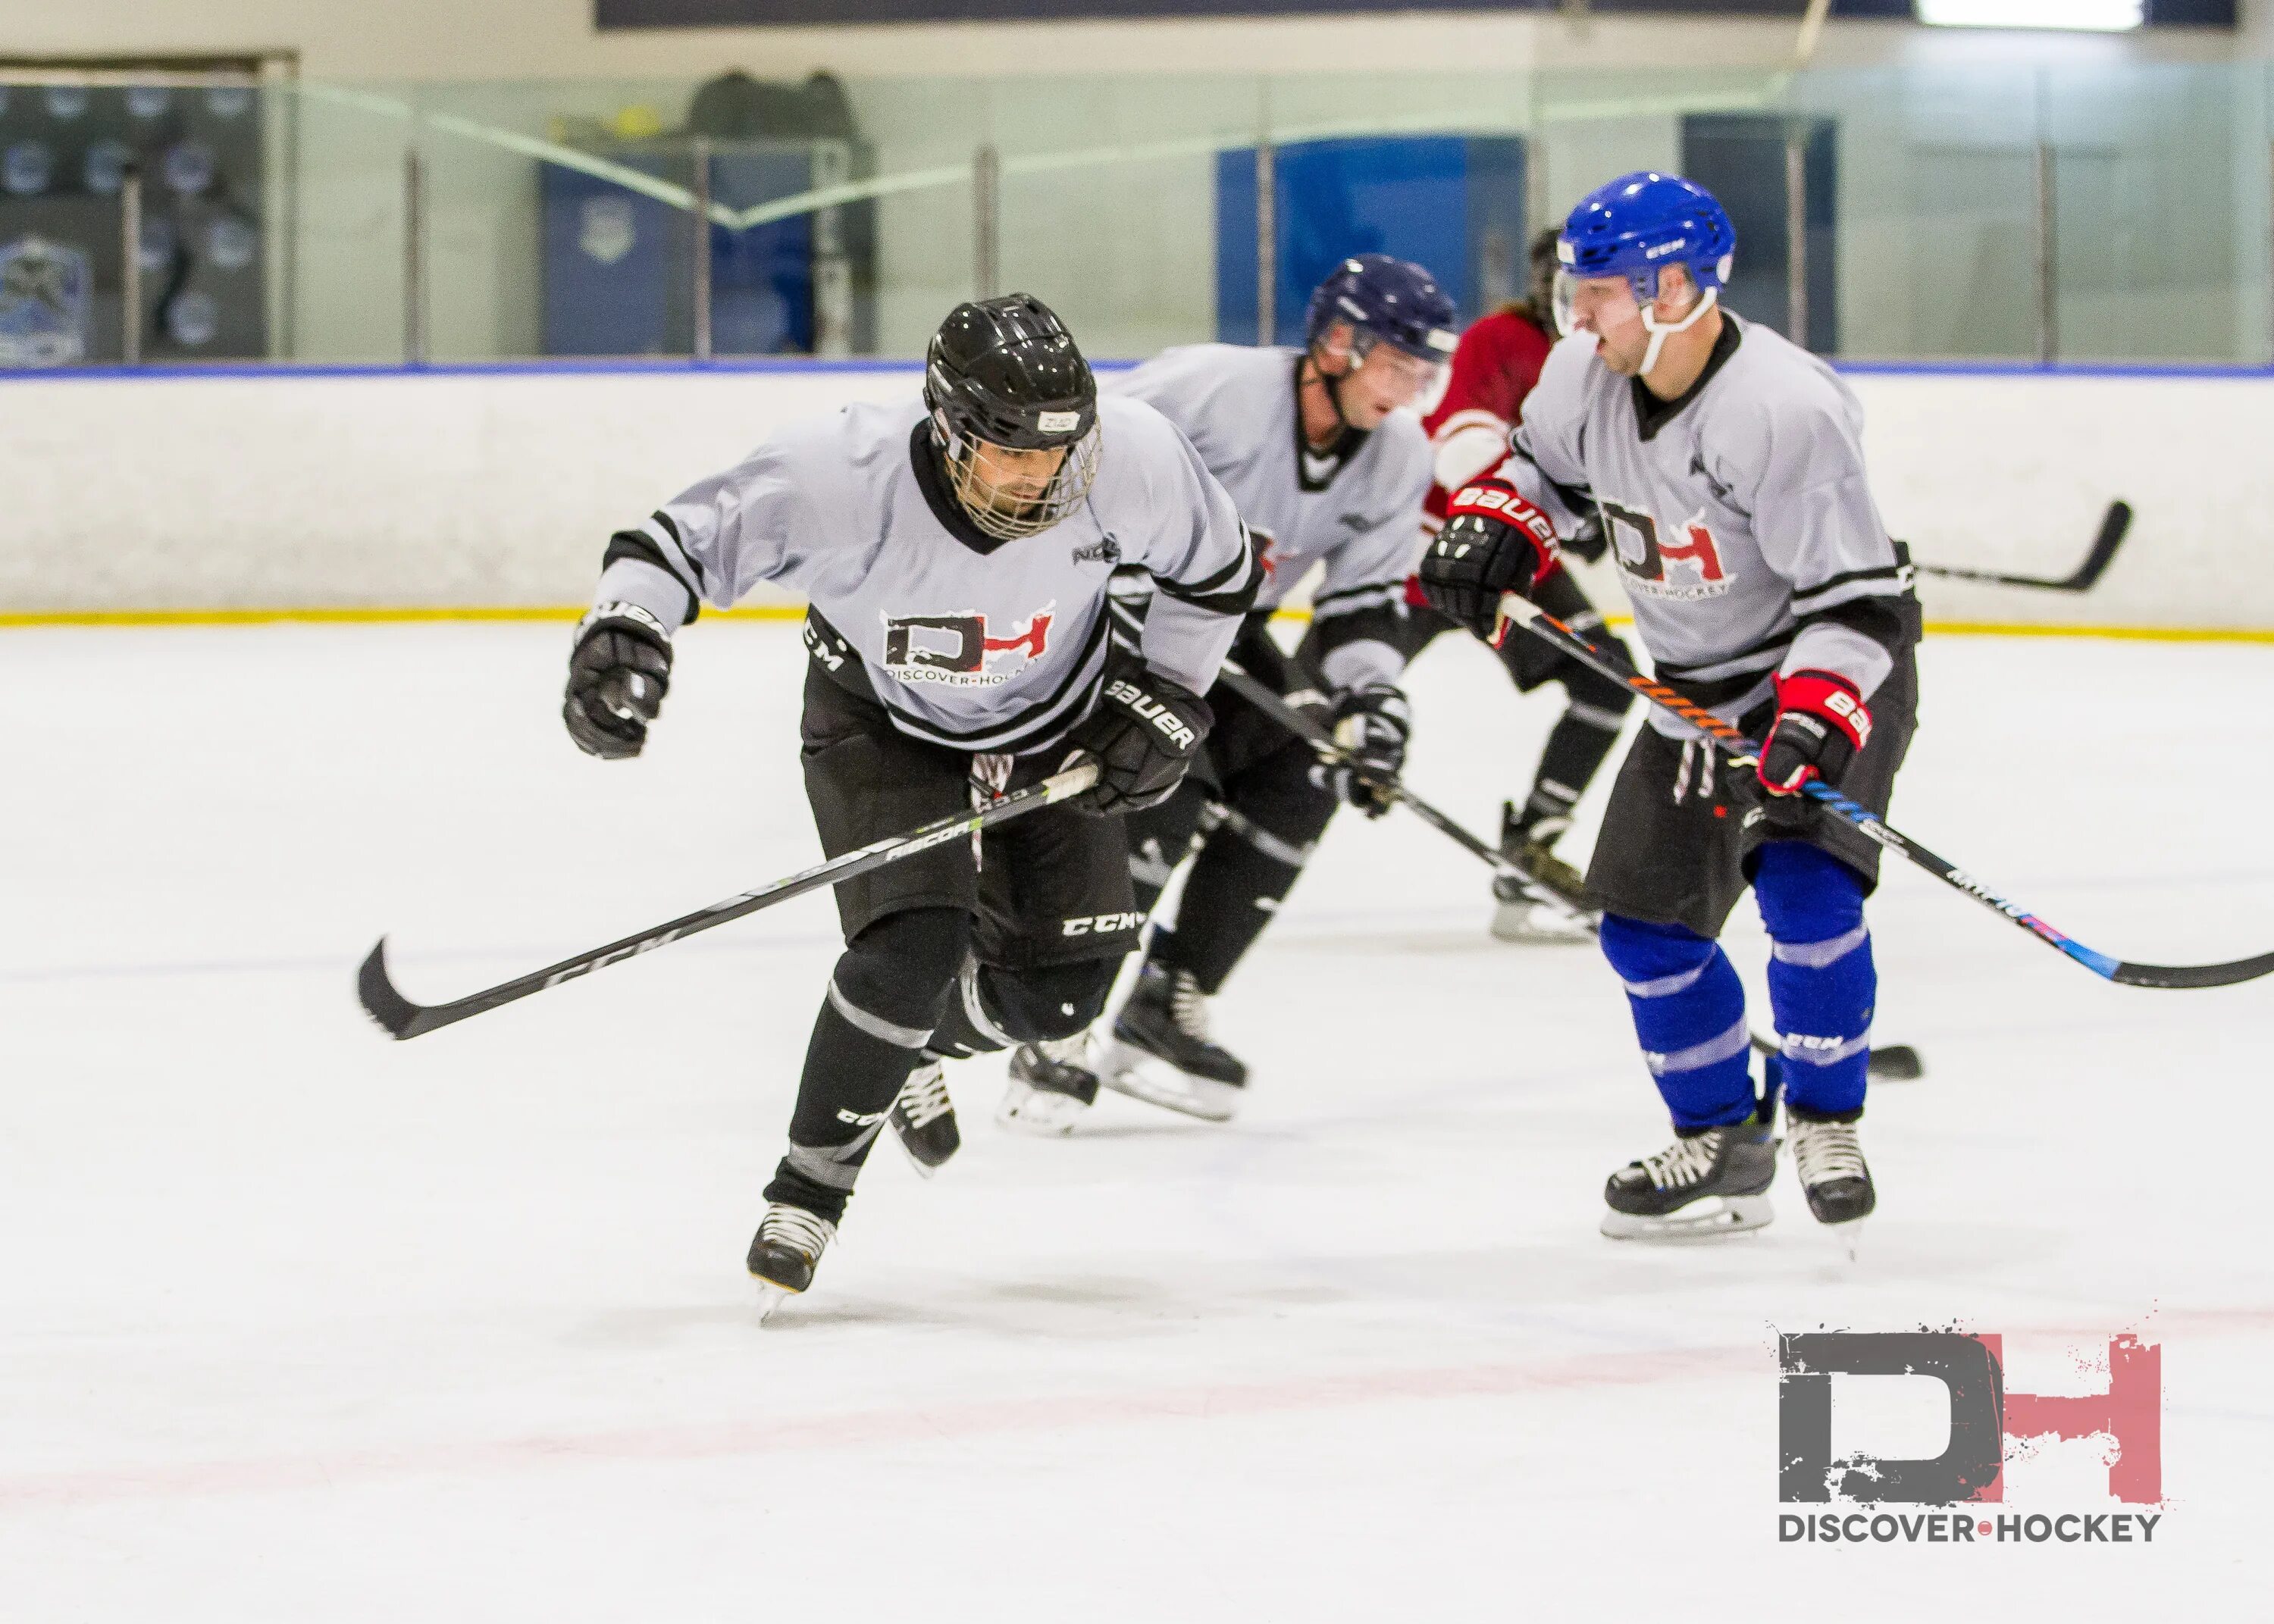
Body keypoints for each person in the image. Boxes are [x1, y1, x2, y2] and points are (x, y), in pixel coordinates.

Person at [560, 293, 1260, 1315]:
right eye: (1008, 452)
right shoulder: (838, 472)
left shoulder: (1135, 459)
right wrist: (624, 630)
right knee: (909, 950)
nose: (1038, 478)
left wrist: (1167, 696)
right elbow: (672, 545)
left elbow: (1220, 571)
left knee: (1059, 999)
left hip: (1052, 723)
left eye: (1057, 455)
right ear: (946, 427)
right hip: (879, 719)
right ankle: (810, 1190)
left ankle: (911, 1046)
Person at [1417, 173, 1918, 1239]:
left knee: (1805, 888)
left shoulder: (1785, 408)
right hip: (1691, 692)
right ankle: (1725, 1138)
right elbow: (1541, 473)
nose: (1575, 311)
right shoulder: (1582, 374)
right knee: (1647, 930)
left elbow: (1859, 607)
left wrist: (1814, 710)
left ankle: (1828, 1117)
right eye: (1576, 290)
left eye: (1598, 291)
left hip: (1820, 671)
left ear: (1678, 288)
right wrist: (1499, 525)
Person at [984, 253, 1449, 1132]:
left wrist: (1373, 700)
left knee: (1312, 765)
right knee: (1160, 784)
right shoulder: (1212, 387)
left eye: (1426, 373)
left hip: (1228, 629)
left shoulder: (1398, 456)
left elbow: (1357, 609)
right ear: (1340, 343)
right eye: (1399, 365)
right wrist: (1106, 578)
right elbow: (1069, 469)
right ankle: (1058, 1017)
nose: (1412, 391)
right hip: (1110, 619)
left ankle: (1169, 998)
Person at [1301, 229, 1638, 943]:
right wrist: (1564, 518)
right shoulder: (1501, 339)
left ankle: (1529, 854)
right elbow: (1463, 451)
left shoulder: (1604, 362)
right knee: (1302, 712)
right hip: (1427, 557)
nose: (1585, 303)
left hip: (1514, 563)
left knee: (1608, 684)